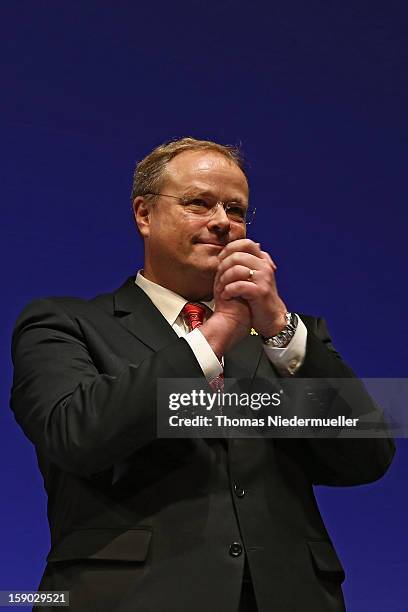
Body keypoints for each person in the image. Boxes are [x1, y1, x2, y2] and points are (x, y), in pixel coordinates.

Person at [10, 137, 394, 612]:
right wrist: (214, 336)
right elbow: (77, 435)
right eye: (198, 203)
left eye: (236, 209)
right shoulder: (65, 324)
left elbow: (368, 457)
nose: (221, 222)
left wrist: (278, 327)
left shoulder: (290, 340)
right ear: (143, 215)